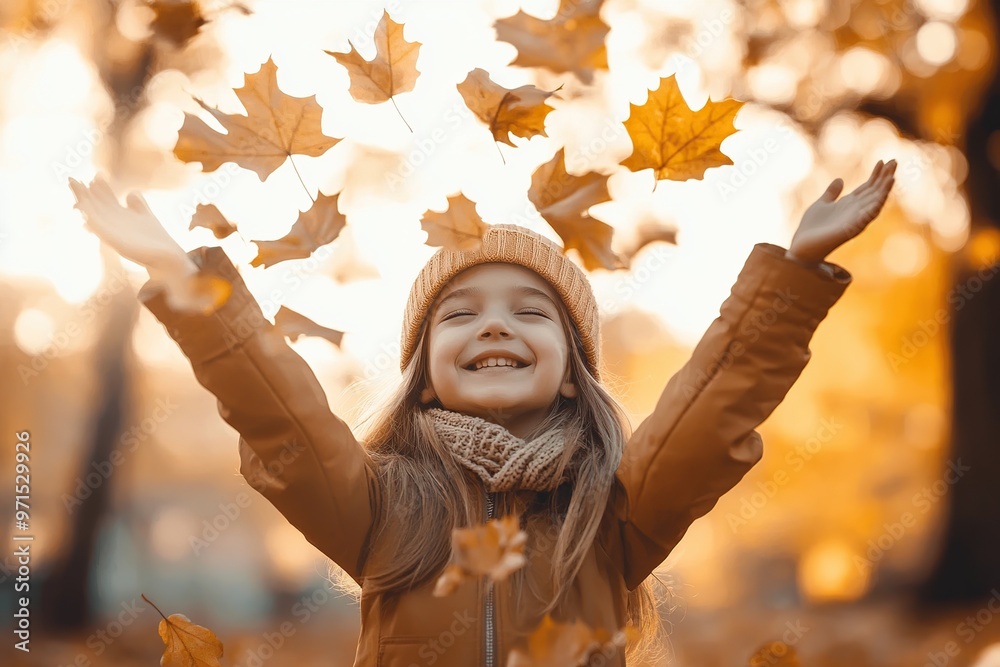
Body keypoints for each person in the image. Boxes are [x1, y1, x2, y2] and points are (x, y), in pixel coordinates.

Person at [69, 158, 897, 666]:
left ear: (574, 375)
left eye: (530, 313)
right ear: (424, 378)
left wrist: (792, 271)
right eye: (459, 315)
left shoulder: (613, 512)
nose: (494, 323)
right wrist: (187, 284)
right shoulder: (381, 505)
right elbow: (281, 418)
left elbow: (711, 412)